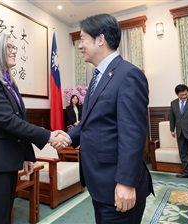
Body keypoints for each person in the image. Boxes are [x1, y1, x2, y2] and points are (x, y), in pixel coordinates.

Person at [55, 14, 154, 224]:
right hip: (100, 182)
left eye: (82, 39)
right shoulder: (98, 76)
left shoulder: (128, 75)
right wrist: (68, 136)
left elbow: (133, 134)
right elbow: (93, 121)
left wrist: (126, 183)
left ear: (100, 39)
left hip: (118, 184)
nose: (79, 46)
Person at [0, 33, 70, 224]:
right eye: (9, 47)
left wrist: (26, 155)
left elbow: (17, 120)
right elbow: (8, 121)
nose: (14, 50)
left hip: (5, 160)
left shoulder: (8, 82)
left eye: (14, 47)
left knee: (5, 216)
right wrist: (49, 135)